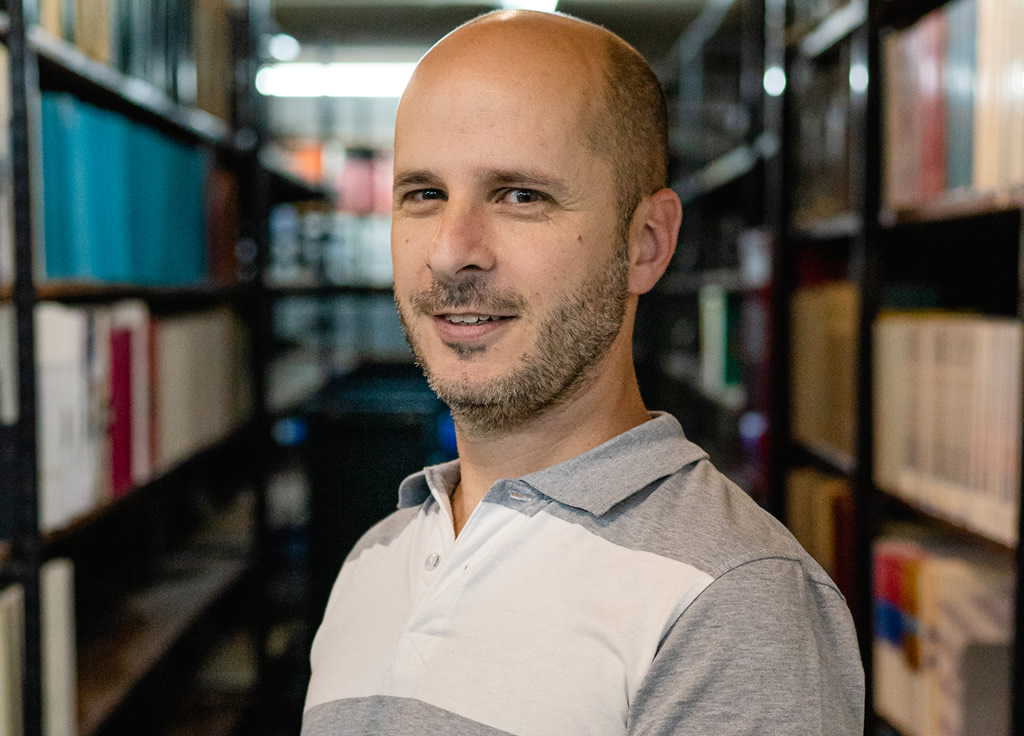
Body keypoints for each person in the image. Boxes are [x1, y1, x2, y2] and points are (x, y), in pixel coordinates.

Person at [303, 9, 864, 736]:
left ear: (647, 243)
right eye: (424, 194)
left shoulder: (731, 602)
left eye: (519, 196)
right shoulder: (375, 558)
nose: (450, 251)